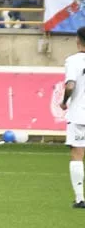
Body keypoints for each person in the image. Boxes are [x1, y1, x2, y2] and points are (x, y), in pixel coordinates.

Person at [61, 26, 85, 209]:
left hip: (80, 114)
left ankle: (79, 199)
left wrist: (64, 101)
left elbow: (70, 86)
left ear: (78, 40)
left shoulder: (74, 61)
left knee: (77, 155)